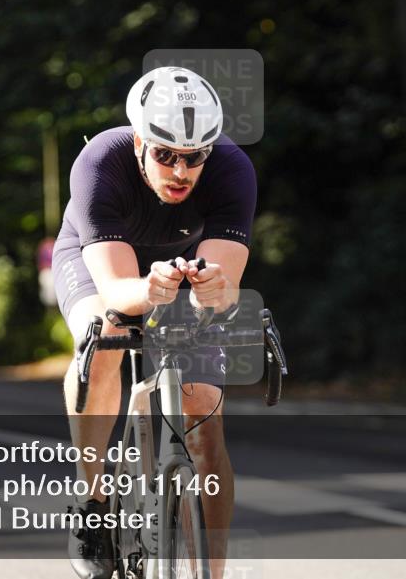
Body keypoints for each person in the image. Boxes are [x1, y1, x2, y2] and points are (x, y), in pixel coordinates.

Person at [53, 66, 256, 579]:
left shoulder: (233, 168)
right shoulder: (100, 163)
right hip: (100, 264)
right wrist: (146, 290)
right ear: (140, 142)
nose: (181, 171)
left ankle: (211, 572)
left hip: (179, 269)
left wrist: (213, 288)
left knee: (205, 409)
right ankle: (93, 504)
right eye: (166, 155)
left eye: (194, 157)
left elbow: (224, 287)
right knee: (105, 336)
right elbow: (117, 291)